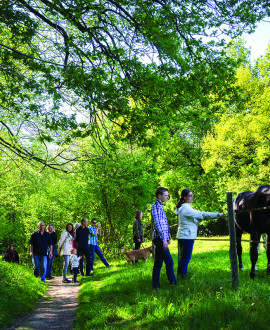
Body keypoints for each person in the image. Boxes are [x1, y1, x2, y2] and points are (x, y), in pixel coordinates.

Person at [176, 189, 224, 278]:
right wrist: (217, 215)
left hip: (183, 235)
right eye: (190, 195)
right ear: (184, 197)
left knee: (182, 259)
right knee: (185, 259)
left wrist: (195, 221)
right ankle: (182, 278)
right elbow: (201, 214)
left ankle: (180, 277)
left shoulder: (183, 207)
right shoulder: (186, 208)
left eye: (192, 195)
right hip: (187, 236)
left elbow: (189, 218)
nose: (192, 197)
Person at [151, 187, 177, 290]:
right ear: (159, 196)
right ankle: (173, 283)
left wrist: (168, 237)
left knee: (158, 263)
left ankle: (156, 286)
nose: (167, 197)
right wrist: (163, 239)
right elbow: (158, 224)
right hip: (159, 239)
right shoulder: (156, 207)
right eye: (166, 195)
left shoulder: (160, 206)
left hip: (162, 238)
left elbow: (164, 223)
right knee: (169, 262)